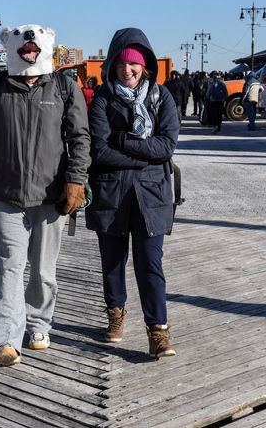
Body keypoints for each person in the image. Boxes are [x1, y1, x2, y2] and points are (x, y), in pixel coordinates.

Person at [0, 23, 90, 367]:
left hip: (51, 197)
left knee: (43, 272)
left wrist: (75, 182)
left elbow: (79, 137)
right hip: (7, 194)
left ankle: (38, 323)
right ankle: (5, 340)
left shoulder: (63, 86)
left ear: (45, 44)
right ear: (10, 45)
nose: (29, 46)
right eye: (22, 41)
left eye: (34, 42)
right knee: (7, 267)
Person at [86, 28, 180, 359]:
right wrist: (143, 154)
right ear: (112, 66)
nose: (128, 70)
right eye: (122, 65)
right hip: (111, 194)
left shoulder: (161, 97)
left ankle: (158, 331)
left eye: (135, 65)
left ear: (146, 66)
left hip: (152, 196)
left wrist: (124, 141)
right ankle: (116, 313)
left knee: (150, 263)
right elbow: (98, 150)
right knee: (112, 262)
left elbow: (167, 146)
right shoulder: (101, 98)